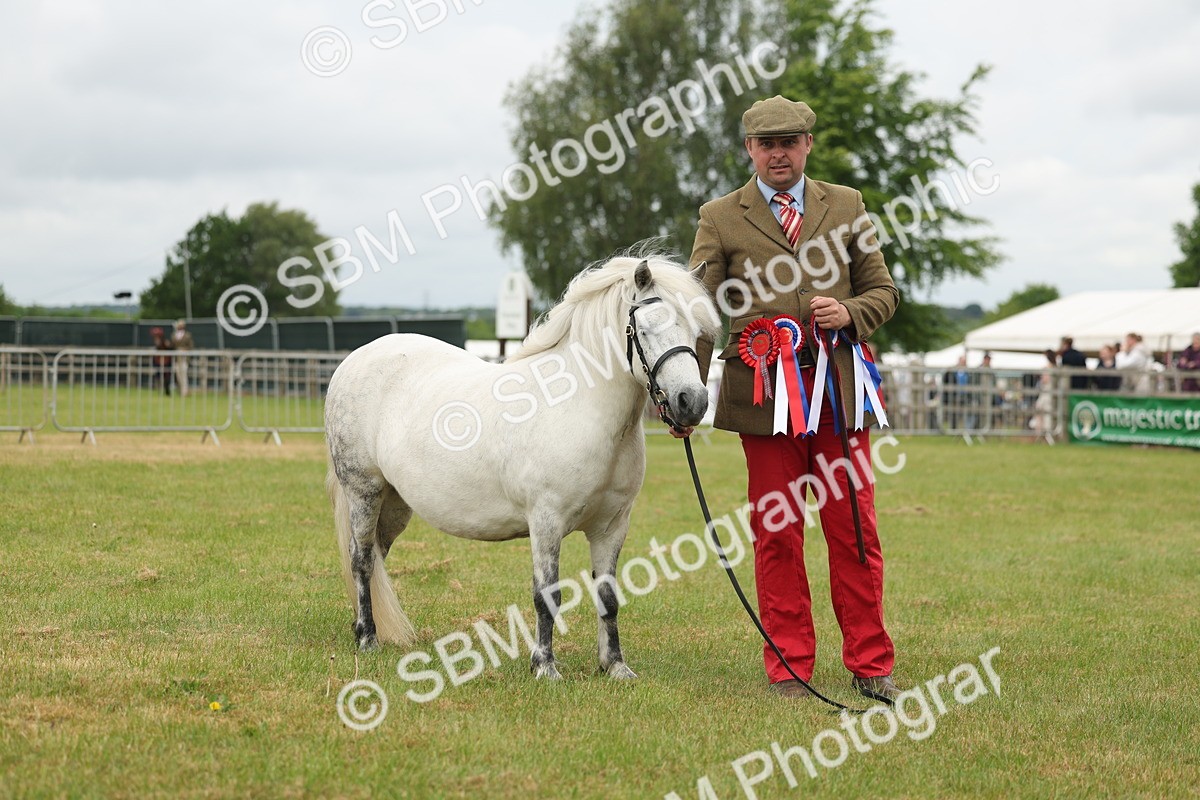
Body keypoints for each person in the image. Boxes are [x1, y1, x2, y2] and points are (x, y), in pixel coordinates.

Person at [683, 95, 901, 704]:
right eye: (766, 142)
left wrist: (852, 312)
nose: (779, 152)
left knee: (854, 530)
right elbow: (699, 313)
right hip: (761, 397)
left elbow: (884, 291)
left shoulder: (849, 205)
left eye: (790, 141)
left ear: (808, 144)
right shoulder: (719, 216)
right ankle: (789, 667)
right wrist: (687, 396)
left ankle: (870, 660)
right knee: (776, 534)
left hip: (838, 393)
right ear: (749, 150)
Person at [172, 319, 194, 396]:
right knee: (178, 374)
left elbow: (191, 346)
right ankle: (180, 390)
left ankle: (185, 391)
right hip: (177, 358)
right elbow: (173, 346)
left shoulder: (187, 335)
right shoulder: (174, 335)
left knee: (184, 374)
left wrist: (184, 349)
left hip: (184, 358)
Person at [150, 327, 174, 396]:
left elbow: (170, 348)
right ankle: (160, 391)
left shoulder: (165, 342)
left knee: (166, 377)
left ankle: (167, 391)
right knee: (159, 376)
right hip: (158, 362)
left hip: (166, 362)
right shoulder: (157, 342)